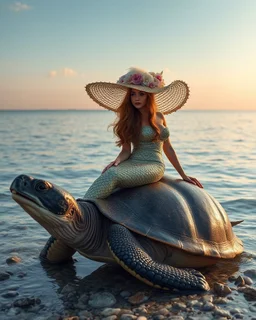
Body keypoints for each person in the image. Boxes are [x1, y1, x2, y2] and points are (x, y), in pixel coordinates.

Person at [84, 67, 203, 199]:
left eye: (141, 94)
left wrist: (183, 175)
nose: (136, 98)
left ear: (149, 96)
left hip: (154, 165)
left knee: (114, 175)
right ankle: (82, 210)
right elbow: (126, 150)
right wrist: (117, 161)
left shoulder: (159, 116)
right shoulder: (128, 119)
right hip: (132, 161)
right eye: (133, 94)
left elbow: (167, 147)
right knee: (110, 173)